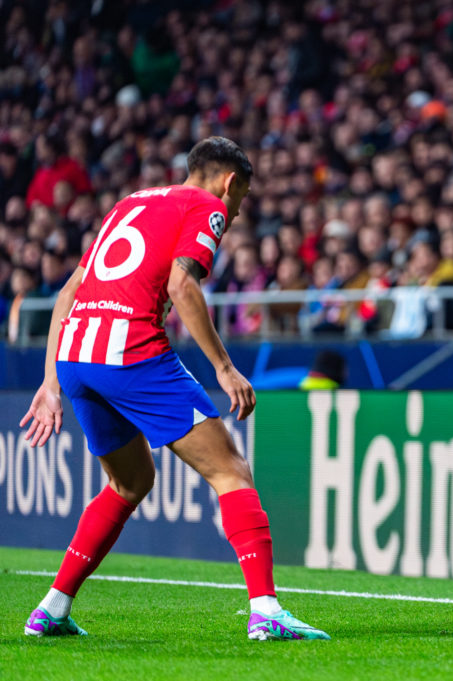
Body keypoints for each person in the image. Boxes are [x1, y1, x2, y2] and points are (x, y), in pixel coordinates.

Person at [20, 137, 328, 641]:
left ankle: (52, 609)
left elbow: (68, 293)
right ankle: (267, 612)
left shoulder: (131, 203)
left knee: (129, 483)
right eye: (242, 198)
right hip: (131, 352)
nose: (236, 209)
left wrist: (51, 380)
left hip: (76, 355)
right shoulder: (207, 206)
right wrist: (224, 369)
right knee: (231, 471)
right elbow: (183, 286)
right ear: (230, 182)